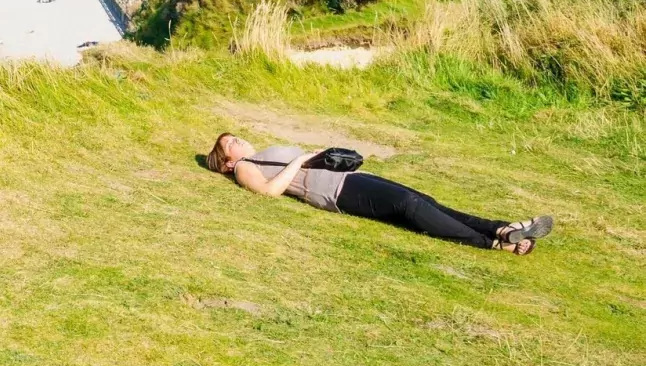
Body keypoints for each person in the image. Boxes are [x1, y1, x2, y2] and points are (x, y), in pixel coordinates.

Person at [204, 133, 553, 254]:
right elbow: (269, 192)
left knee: (424, 201)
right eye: (229, 144)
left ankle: (502, 228)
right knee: (408, 207)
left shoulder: (259, 151)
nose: (236, 140)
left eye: (234, 137)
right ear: (226, 162)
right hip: (334, 194)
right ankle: (492, 242)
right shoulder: (245, 167)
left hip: (347, 180)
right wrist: (301, 157)